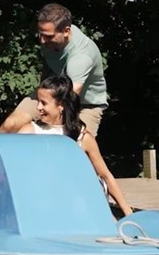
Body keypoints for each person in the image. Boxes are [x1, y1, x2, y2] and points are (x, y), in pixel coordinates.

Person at [18, 75, 132, 217]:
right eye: (38, 101)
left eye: (44, 103)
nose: (38, 107)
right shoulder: (29, 132)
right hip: (41, 201)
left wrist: (128, 212)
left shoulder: (82, 137)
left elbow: (105, 176)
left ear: (61, 106)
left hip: (74, 203)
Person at [0, 4, 108, 137]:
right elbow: (48, 65)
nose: (42, 40)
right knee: (11, 125)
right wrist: (41, 97)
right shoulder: (51, 38)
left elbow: (70, 97)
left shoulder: (81, 57)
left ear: (66, 31)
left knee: (74, 143)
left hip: (84, 104)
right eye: (41, 34)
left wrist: (49, 121)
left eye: (48, 36)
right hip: (50, 93)